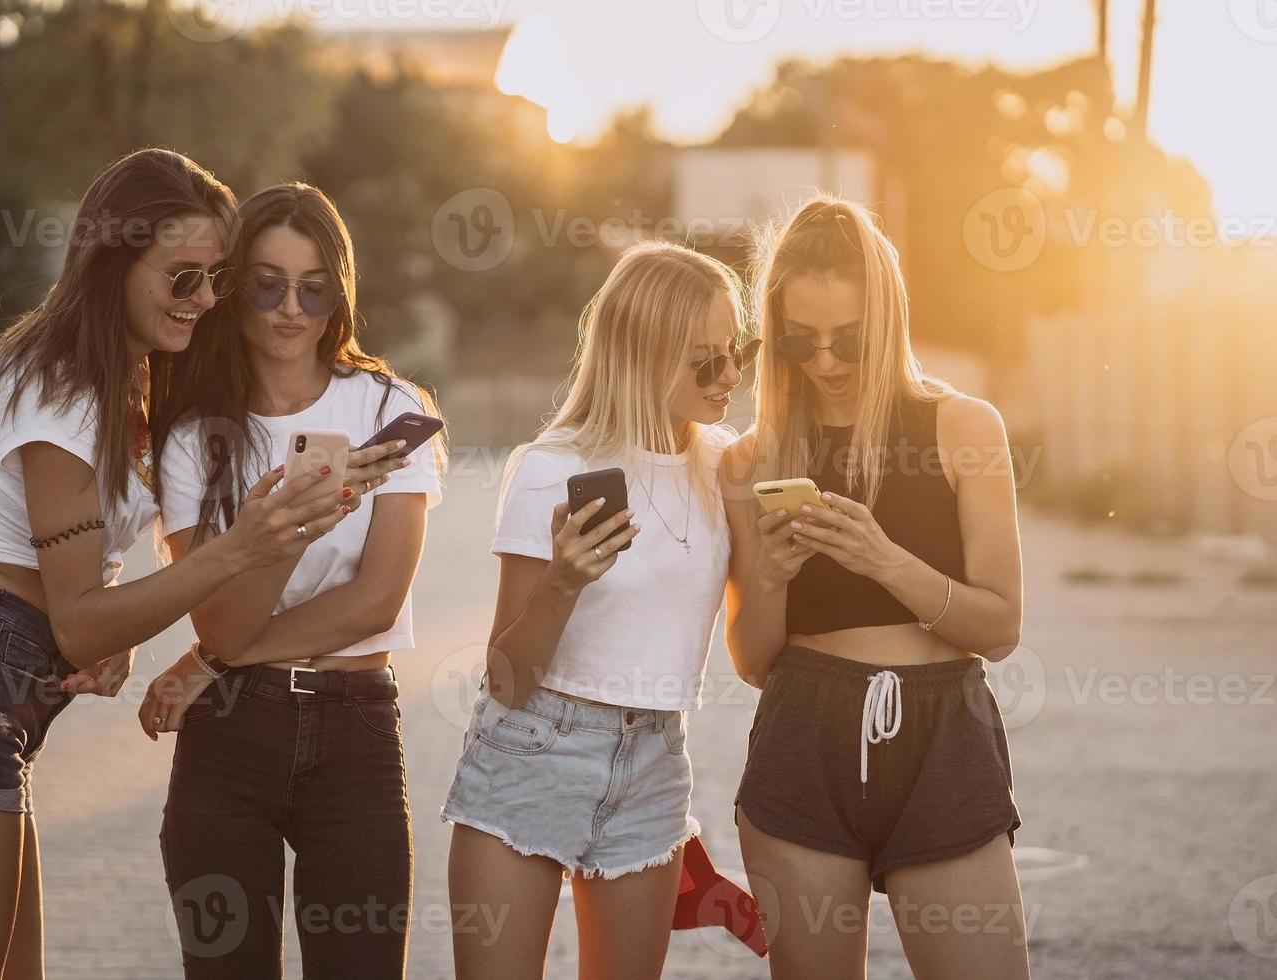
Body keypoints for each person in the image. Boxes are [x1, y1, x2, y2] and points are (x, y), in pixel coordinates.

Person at [0, 149, 342, 980]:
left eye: (217, 277)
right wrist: (242, 547)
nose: (207, 300)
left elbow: (72, 596)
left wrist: (114, 616)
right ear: (113, 263)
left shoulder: (114, 378)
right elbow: (73, 623)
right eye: (182, 278)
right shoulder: (61, 386)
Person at [140, 181, 444, 978]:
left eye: (314, 289)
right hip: (230, 735)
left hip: (356, 732)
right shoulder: (193, 433)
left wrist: (207, 661)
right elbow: (226, 625)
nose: (290, 309)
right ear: (234, 286)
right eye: (268, 284)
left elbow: (375, 601)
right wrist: (296, 518)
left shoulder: (387, 406)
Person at [724, 197, 1029, 978]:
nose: (824, 361)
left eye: (849, 340)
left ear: (888, 320)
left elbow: (999, 628)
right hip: (804, 731)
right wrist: (768, 577)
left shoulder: (964, 427)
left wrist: (884, 560)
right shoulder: (752, 458)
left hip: (943, 735)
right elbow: (755, 662)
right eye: (799, 340)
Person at [442, 241, 756, 980]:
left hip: (654, 760)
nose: (731, 376)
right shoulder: (553, 467)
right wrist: (562, 585)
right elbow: (507, 678)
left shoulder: (729, 465)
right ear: (643, 354)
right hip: (532, 749)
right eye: (705, 361)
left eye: (736, 352)